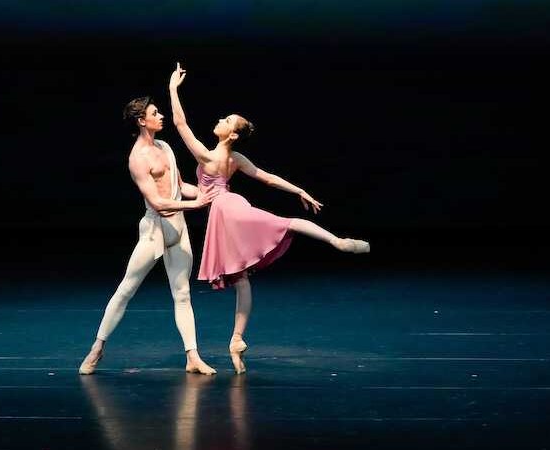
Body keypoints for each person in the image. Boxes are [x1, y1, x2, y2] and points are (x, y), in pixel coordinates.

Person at [168, 63, 370, 374]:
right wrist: (300, 189)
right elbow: (267, 179)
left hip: (226, 212)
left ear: (232, 134)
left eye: (226, 120)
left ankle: (338, 242)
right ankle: (236, 340)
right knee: (244, 277)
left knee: (279, 229)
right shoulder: (234, 159)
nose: (220, 119)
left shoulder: (209, 156)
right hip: (227, 207)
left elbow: (180, 125)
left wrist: (172, 89)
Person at [78, 96, 219, 375]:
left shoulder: (165, 147)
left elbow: (180, 186)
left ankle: (192, 356)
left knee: (182, 294)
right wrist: (195, 205)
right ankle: (97, 348)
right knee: (126, 289)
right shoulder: (137, 158)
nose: (161, 116)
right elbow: (157, 201)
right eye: (156, 113)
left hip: (178, 227)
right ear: (142, 120)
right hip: (155, 229)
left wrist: (209, 195)